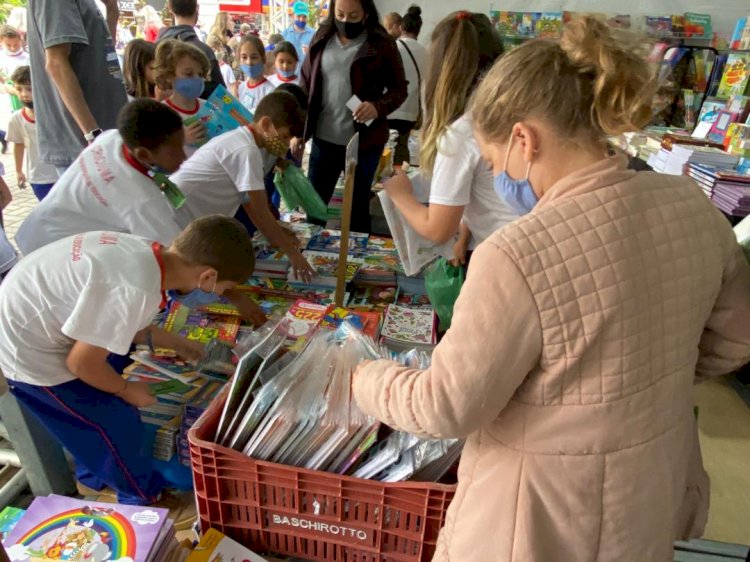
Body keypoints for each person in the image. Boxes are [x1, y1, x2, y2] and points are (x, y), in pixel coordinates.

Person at [353, 16, 750, 561]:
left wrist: (361, 376)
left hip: (538, 519)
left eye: (494, 164)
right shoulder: (691, 207)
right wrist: (648, 372)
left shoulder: (517, 256)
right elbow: (736, 337)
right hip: (648, 491)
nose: (500, 179)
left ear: (524, 139)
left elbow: (445, 406)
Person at [0, 215, 256, 505]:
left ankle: (95, 477)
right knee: (114, 423)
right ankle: (141, 492)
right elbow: (82, 364)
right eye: (223, 289)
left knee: (93, 418)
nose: (218, 295)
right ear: (207, 276)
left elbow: (121, 320)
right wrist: (125, 390)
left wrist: (178, 343)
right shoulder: (134, 288)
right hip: (29, 354)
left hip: (32, 322)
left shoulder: (150, 255)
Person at [384, 12, 516, 265]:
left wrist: (400, 195)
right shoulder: (504, 115)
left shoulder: (462, 133)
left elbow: (437, 230)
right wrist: (465, 234)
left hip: (500, 259)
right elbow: (490, 193)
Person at [171, 91, 315, 283]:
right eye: (284, 136)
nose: (286, 144)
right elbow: (260, 210)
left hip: (185, 215)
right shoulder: (247, 151)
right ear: (265, 124)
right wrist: (293, 254)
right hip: (177, 216)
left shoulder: (243, 142)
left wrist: (276, 233)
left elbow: (249, 203)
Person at [15, 99, 187, 256]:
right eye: (176, 151)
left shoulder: (111, 138)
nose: (183, 156)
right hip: (55, 253)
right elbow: (175, 256)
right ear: (143, 154)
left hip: (37, 228)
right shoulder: (142, 200)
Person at [299, 0, 407, 234]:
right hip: (323, 140)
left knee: (357, 209)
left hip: (363, 143)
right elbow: (305, 84)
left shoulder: (381, 43)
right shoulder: (322, 36)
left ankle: (355, 261)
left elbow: (400, 89)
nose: (345, 21)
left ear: (366, 13)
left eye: (353, 15)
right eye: (340, 14)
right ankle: (308, 260)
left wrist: (378, 106)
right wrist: (298, 129)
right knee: (314, 207)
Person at [26, 0, 129, 172]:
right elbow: (56, 64)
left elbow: (102, 55)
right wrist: (93, 134)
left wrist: (112, 11)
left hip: (101, 140)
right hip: (85, 146)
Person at [7, 66, 58, 201]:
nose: (24, 94)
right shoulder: (17, 118)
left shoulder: (56, 113)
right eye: (19, 89)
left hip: (62, 172)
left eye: (29, 89)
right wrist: (18, 171)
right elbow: (18, 145)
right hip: (39, 177)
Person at [158, 0, 225, 99]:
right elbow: (221, 97)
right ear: (197, 8)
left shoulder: (155, 49)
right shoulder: (204, 52)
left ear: (169, 7)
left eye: (200, 75)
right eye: (189, 74)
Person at [154, 39, 209, 156]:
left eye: (200, 74)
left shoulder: (209, 107)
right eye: (188, 74)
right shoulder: (160, 114)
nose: (197, 79)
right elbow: (155, 152)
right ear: (169, 76)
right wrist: (180, 140)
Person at [387, 5, 426, 167]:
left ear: (401, 27)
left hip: (389, 109)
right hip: (411, 113)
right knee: (402, 147)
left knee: (386, 149)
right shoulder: (427, 53)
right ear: (418, 30)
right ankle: (402, 177)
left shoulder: (392, 48)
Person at [237, 34, 275, 114]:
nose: (249, 62)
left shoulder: (270, 91)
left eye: (254, 57)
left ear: (263, 59)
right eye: (244, 57)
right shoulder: (241, 88)